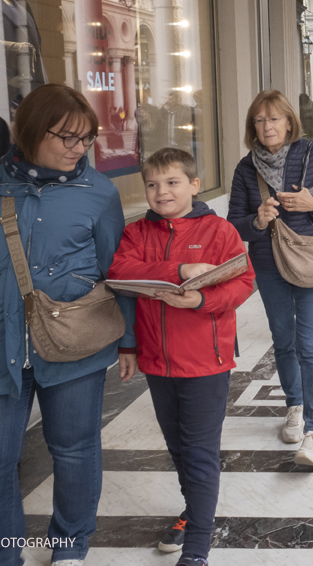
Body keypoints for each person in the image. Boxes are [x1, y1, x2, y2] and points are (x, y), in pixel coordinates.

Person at [0, 84, 135, 566]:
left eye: (84, 140)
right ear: (32, 132)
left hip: (73, 343)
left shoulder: (99, 193)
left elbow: (115, 272)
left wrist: (128, 339)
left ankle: (70, 545)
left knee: (75, 450)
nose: (76, 149)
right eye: (65, 137)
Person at [107, 147, 256, 565]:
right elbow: (121, 273)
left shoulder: (218, 230)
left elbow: (243, 281)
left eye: (172, 183)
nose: (161, 192)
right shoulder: (137, 233)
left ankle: (197, 546)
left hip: (206, 362)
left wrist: (201, 302)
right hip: (158, 362)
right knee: (176, 446)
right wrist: (178, 272)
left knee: (199, 449)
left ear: (193, 185)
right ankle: (193, 512)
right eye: (152, 185)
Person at [227, 90, 313, 468]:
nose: (268, 127)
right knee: (282, 340)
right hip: (268, 263)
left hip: (311, 259)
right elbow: (234, 224)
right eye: (260, 121)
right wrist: (257, 221)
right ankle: (294, 405)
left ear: (289, 122)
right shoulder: (246, 169)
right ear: (253, 127)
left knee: (309, 344)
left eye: (274, 119)